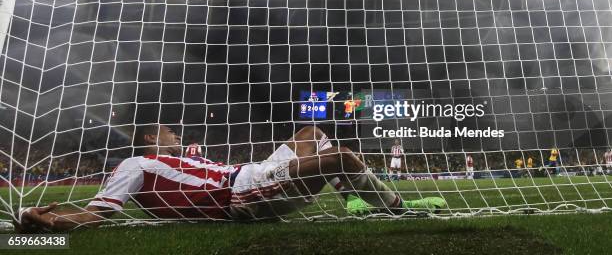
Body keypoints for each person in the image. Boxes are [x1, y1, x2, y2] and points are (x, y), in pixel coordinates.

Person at [15, 125, 446, 232]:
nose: (176, 133)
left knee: (313, 134)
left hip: (249, 175)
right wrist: (48, 225)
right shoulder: (135, 164)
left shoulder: (175, 161)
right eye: (168, 129)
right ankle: (397, 209)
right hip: (243, 192)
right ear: (151, 138)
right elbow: (98, 214)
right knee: (346, 159)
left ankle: (352, 196)